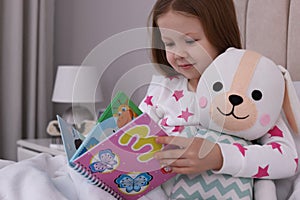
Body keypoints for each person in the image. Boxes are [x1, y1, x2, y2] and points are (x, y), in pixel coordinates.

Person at [138, 0, 298, 199]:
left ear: (219, 34)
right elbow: (136, 142)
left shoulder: (249, 90)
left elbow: (287, 159)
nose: (178, 54)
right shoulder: (162, 90)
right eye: (169, 43)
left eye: (190, 41)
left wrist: (219, 157)